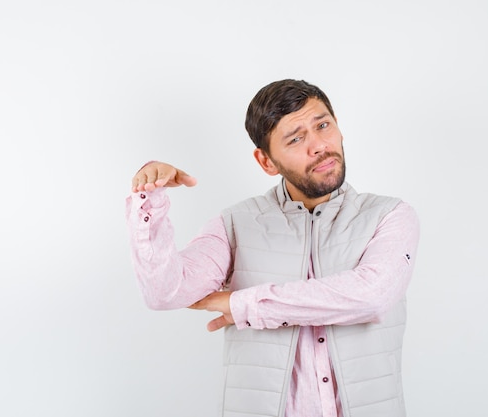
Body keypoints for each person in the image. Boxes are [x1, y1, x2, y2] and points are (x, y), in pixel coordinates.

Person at [126, 79, 420, 417]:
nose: (319, 146)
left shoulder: (391, 216)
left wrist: (246, 305)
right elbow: (165, 292)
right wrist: (150, 200)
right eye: (296, 138)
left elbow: (372, 295)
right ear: (266, 162)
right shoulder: (236, 223)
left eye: (323, 125)